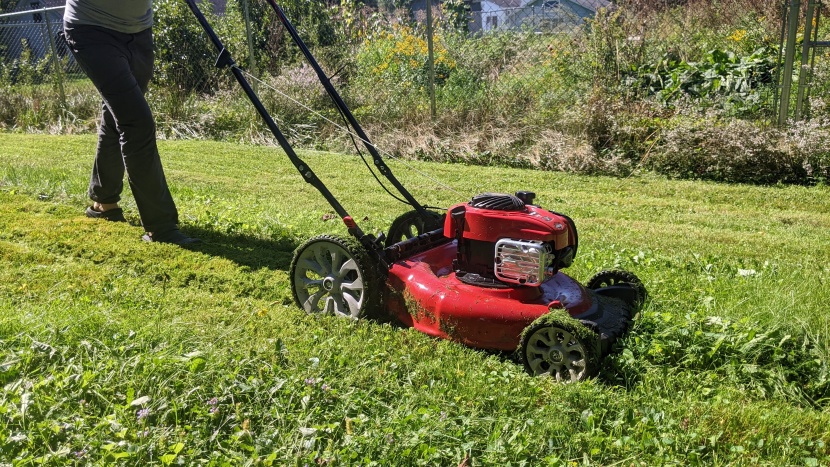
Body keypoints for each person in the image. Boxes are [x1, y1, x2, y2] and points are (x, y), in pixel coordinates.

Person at [63, 0, 199, 245]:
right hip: (91, 28)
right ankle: (161, 227)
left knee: (119, 114)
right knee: (137, 122)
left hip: (138, 31)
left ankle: (103, 202)